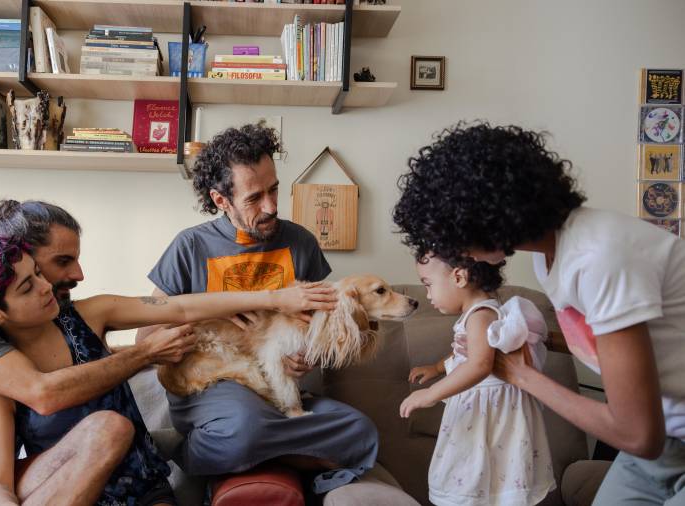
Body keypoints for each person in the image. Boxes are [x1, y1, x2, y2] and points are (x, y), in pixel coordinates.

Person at [0, 229, 336, 505]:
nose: (48, 286)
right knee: (109, 427)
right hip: (77, 496)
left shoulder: (90, 313)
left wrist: (271, 299)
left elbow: (178, 305)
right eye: (27, 287)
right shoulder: (5, 377)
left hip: (147, 490)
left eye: (38, 273)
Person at [392, 122, 684, 504]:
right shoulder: (553, 258)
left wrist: (520, 375)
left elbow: (636, 435)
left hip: (653, 437)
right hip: (668, 439)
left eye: (452, 237)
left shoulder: (600, 258)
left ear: (483, 218)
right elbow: (617, 348)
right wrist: (543, 339)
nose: (458, 253)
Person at [0, 200, 202, 506]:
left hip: (1, 480)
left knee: (110, 429)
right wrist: (143, 354)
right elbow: (43, 392)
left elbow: (176, 310)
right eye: (33, 280)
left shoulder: (15, 330)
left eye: (38, 275)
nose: (71, 277)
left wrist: (116, 350)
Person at [137, 123, 384, 497]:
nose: (270, 206)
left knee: (360, 431)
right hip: (217, 388)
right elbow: (146, 336)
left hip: (279, 391)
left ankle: (253, 453)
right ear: (221, 200)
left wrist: (306, 360)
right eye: (254, 198)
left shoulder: (301, 243)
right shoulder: (188, 247)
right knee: (242, 426)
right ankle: (205, 451)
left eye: (274, 190)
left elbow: (322, 331)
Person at [400, 253, 555, 505]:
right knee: (486, 477)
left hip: (488, 413)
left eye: (428, 284)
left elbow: (479, 364)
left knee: (479, 474)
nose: (427, 295)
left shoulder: (480, 315)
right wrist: (438, 367)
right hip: (485, 408)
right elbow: (467, 351)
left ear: (459, 277)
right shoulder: (479, 313)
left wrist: (430, 393)